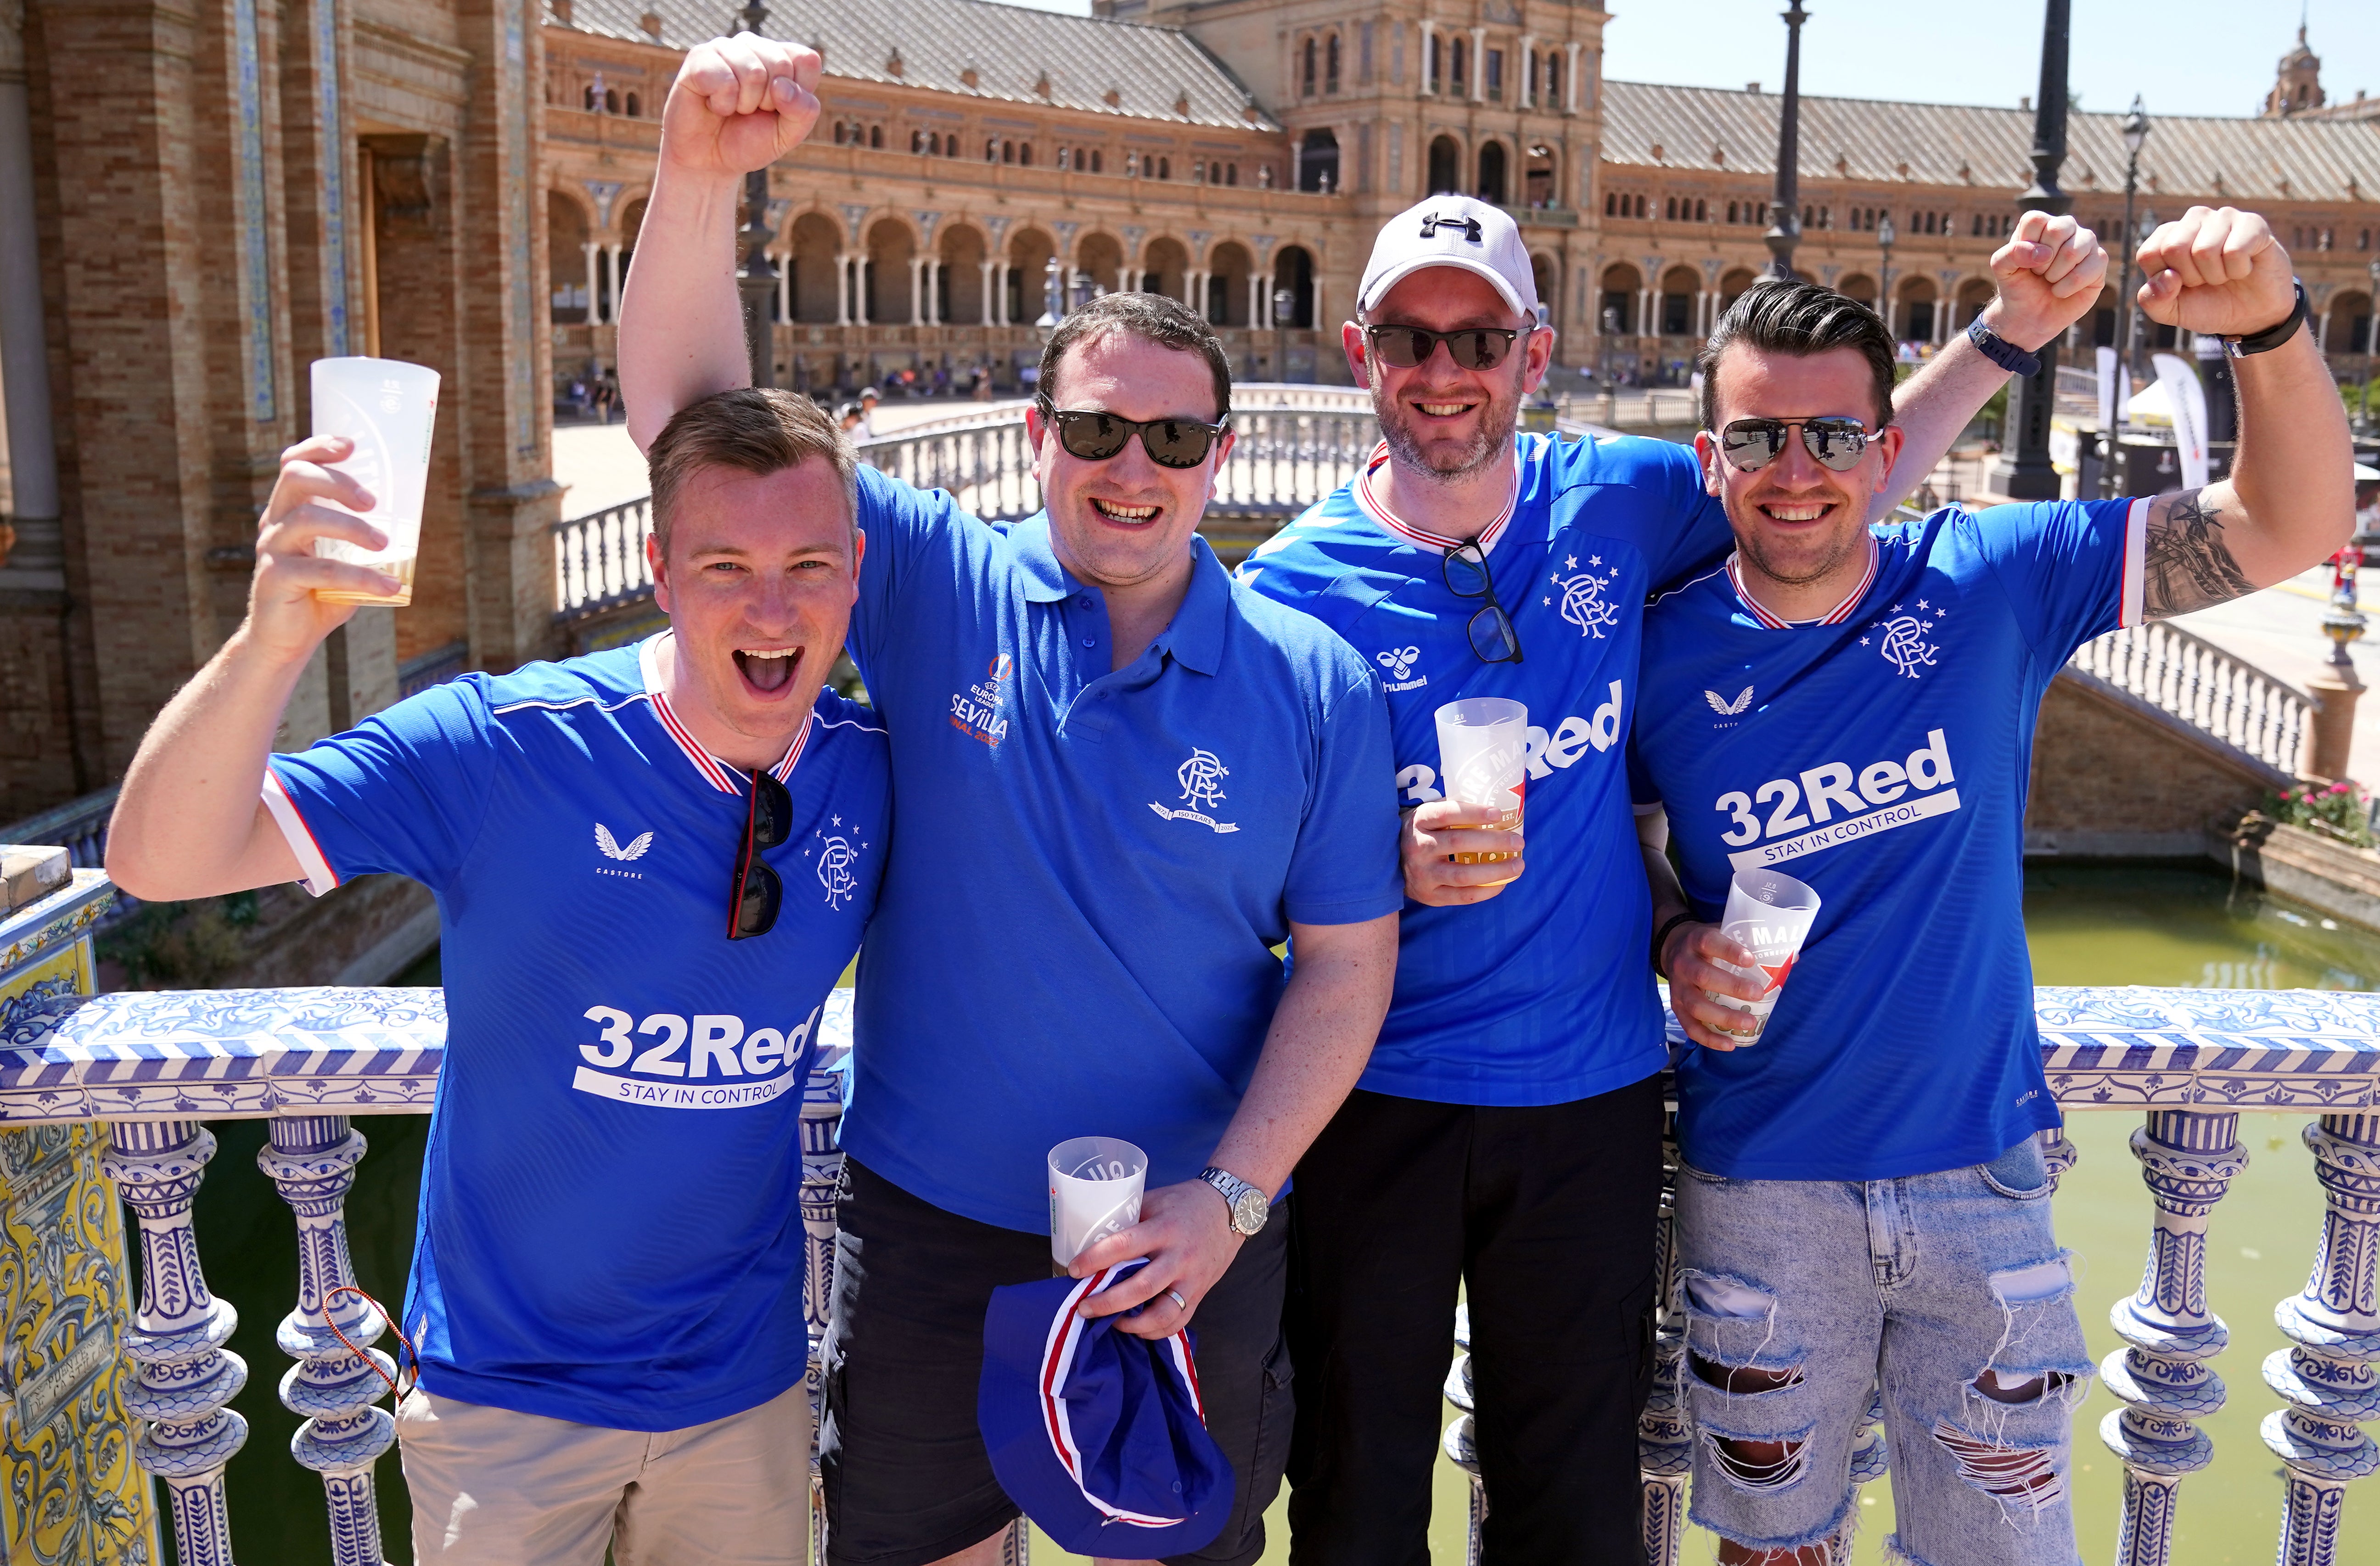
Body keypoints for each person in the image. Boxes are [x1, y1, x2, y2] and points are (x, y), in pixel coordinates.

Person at [618, 36, 1402, 1566]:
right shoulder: (931, 581)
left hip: (1188, 1233)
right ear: (1037, 437)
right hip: (933, 1228)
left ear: (1216, 456)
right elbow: (696, 427)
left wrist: (1233, 1195)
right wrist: (697, 175)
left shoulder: (1314, 682)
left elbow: (1347, 966)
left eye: (1172, 437)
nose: (1134, 467)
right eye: (1098, 428)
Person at [1235, 193, 2105, 1563]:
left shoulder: (1626, 499)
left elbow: (1824, 475)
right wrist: (1378, 865)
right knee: (1356, 1485)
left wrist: (2005, 338)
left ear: (1535, 347)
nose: (1446, 370)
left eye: (1481, 338)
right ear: (1363, 353)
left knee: (1571, 1497)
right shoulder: (1285, 590)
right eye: (1413, 336)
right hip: (1373, 1098)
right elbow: (1239, 871)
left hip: (1591, 1098)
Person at [1634, 208, 2351, 1566]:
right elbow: (1613, 837)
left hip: (1982, 1171)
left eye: (1836, 435)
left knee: (2002, 1555)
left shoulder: (1992, 579)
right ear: (1707, 456)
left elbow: (2291, 520)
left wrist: (2265, 322)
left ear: (1888, 448)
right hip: (1765, 1177)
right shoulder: (1655, 652)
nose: (1798, 471)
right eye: (1758, 437)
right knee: (1773, 1550)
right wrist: (1673, 934)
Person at [103, 388, 891, 1563]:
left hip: (744, 1395)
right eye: (725, 562)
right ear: (658, 568)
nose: (772, 607)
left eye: (808, 563)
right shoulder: (502, 746)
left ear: (856, 570)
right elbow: (159, 857)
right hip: (503, 1404)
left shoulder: (874, 777)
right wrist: (275, 633)